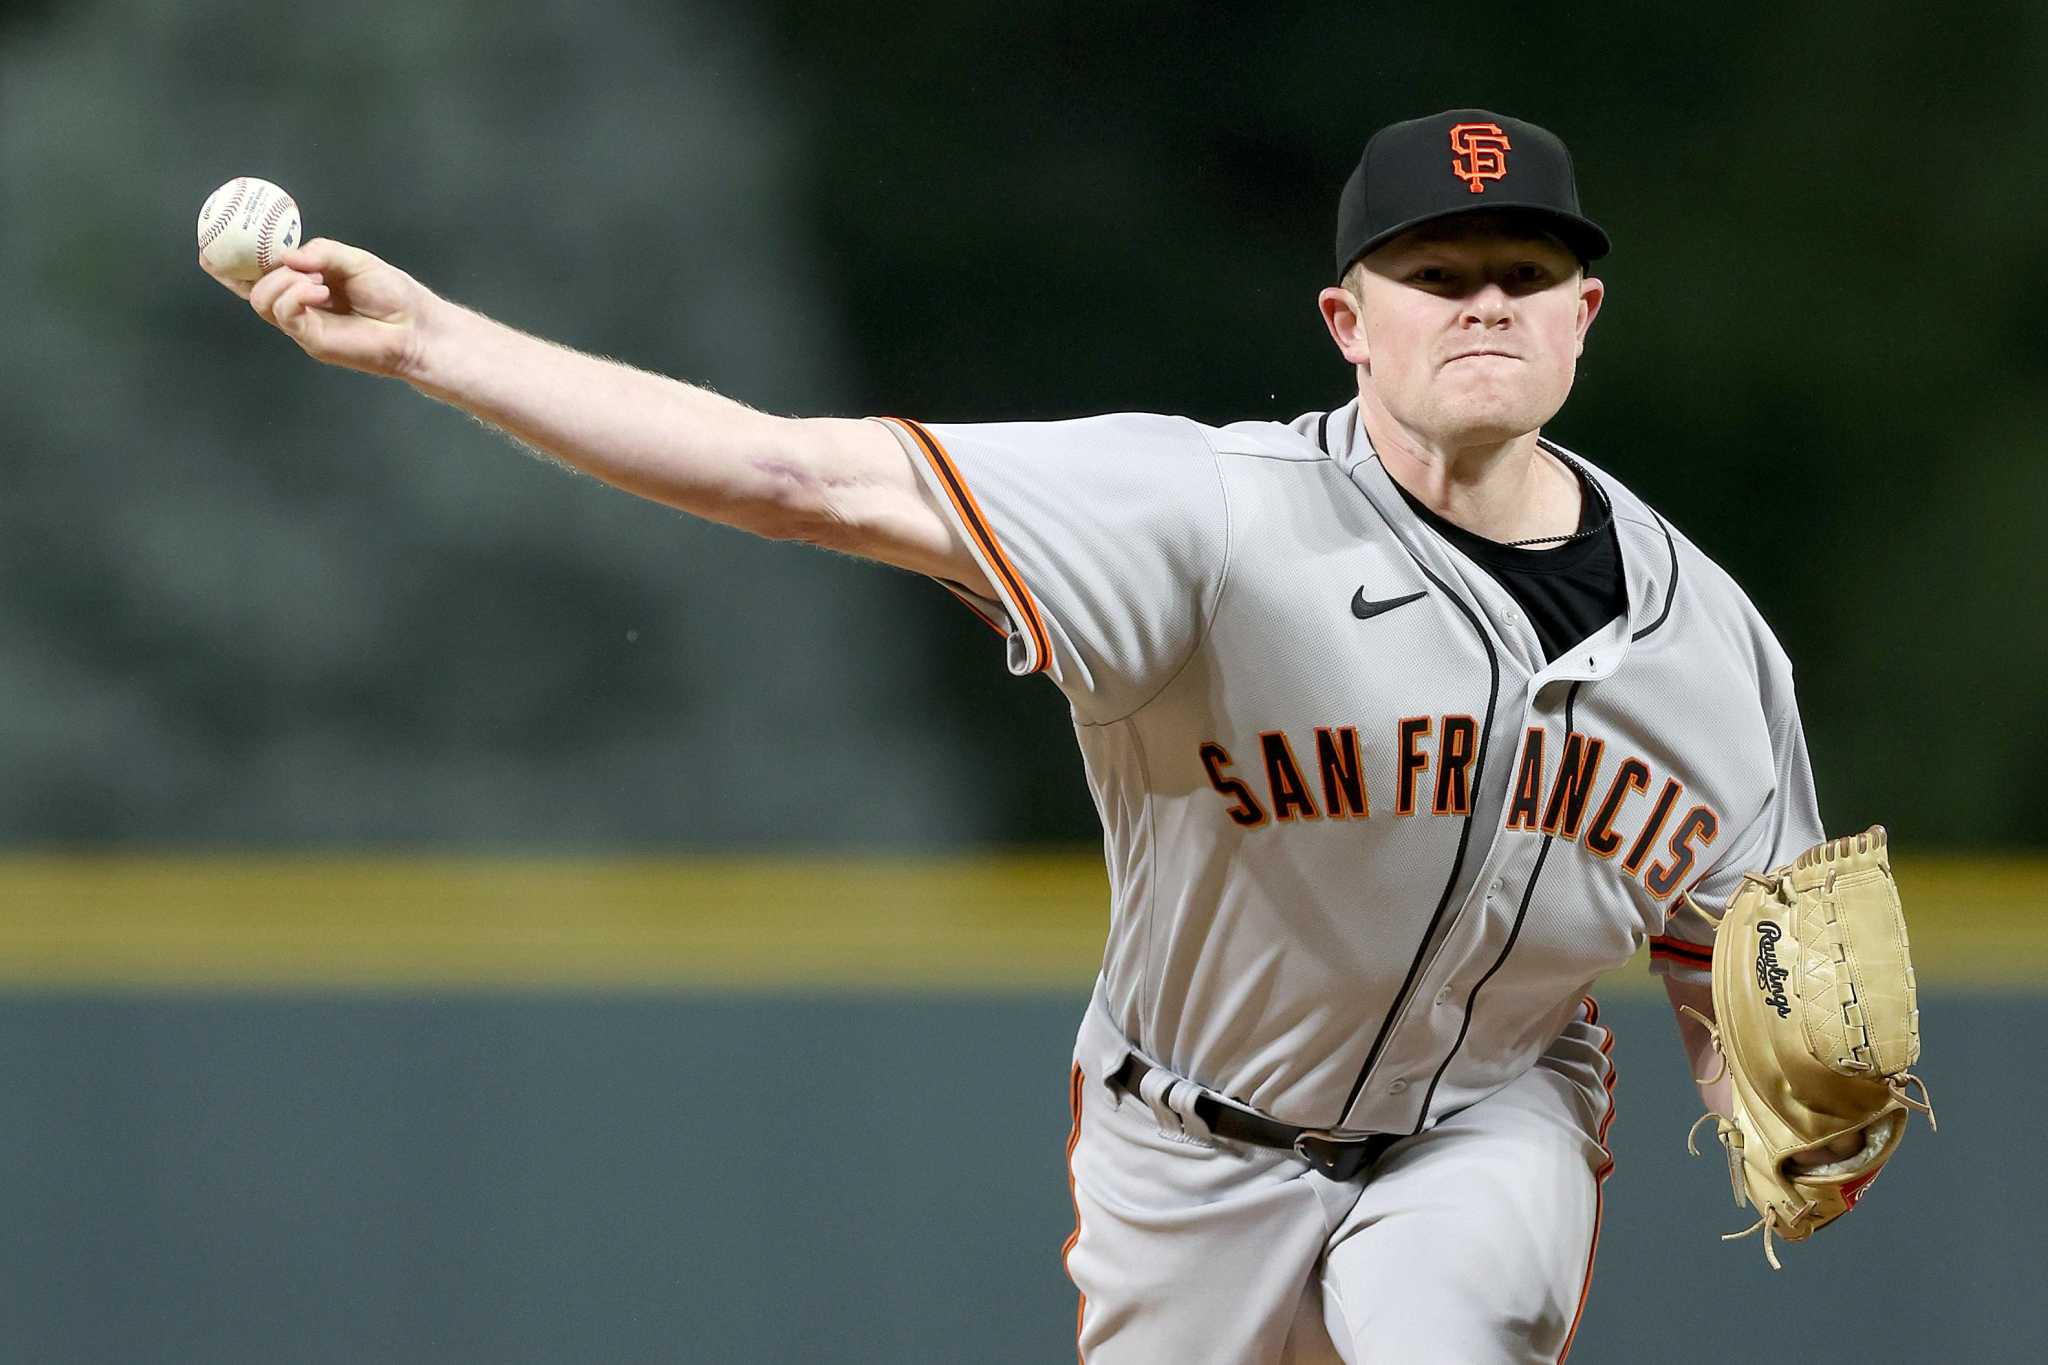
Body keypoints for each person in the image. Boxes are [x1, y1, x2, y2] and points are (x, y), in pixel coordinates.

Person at [204, 109, 1824, 1362]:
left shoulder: (1712, 639)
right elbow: (796, 474)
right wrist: (434, 343)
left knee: (1440, 1325)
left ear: (1585, 313)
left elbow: (1760, 967)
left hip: (1493, 1109)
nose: (1485, 303)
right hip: (1189, 1139)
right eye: (1437, 271)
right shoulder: (1210, 515)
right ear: (1349, 318)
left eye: (1524, 274)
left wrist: (1801, 1096)